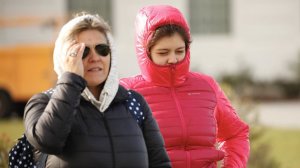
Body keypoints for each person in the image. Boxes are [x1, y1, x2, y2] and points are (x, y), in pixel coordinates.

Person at [23, 12, 171, 168]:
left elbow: (159, 163)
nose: (95, 57)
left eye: (102, 49)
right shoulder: (44, 102)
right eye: (83, 51)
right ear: (65, 57)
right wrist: (71, 79)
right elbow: (47, 142)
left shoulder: (134, 103)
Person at [120, 5, 250, 168]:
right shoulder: (128, 91)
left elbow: (236, 134)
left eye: (179, 51)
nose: (173, 59)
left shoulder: (206, 86)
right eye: (163, 52)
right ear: (145, 52)